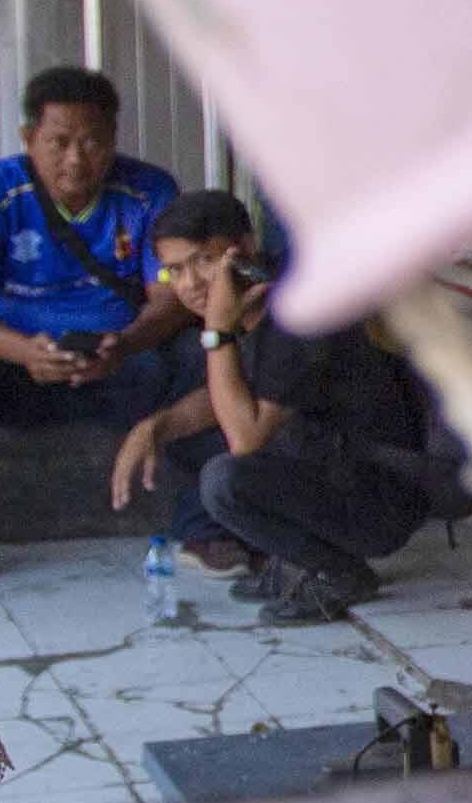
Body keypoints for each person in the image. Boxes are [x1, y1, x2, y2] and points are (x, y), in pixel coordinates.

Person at [105, 188, 451, 624]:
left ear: (244, 248)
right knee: (190, 430)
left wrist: (217, 330)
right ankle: (292, 562)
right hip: (340, 472)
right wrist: (155, 427)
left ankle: (340, 573)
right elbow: (231, 396)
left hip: (382, 499)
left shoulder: (293, 313)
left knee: (225, 481)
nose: (190, 283)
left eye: (204, 261)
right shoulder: (260, 296)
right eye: (176, 270)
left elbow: (246, 439)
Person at [0, 62, 197, 581]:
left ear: (113, 138)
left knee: (202, 350)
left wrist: (124, 345)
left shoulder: (149, 192)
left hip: (122, 367)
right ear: (28, 139)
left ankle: (208, 528)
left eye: (92, 142)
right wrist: (25, 352)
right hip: (20, 372)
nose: (75, 159)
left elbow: (170, 299)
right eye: (58, 142)